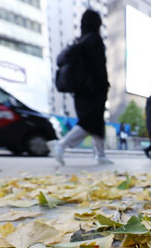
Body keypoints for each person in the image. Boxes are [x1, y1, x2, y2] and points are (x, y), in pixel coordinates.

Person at [47, 9, 112, 165]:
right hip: (93, 90)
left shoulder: (80, 41)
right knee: (89, 123)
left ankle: (100, 155)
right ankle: (61, 145)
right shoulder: (94, 40)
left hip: (80, 91)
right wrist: (105, 85)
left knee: (96, 123)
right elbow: (99, 68)